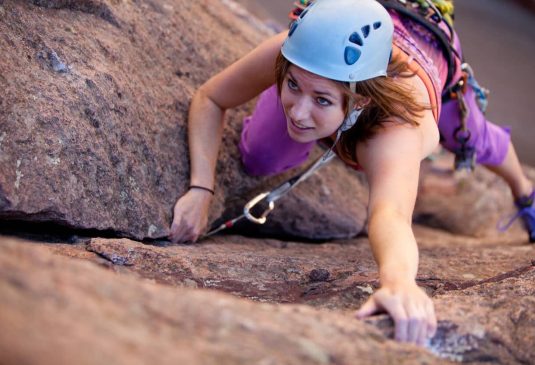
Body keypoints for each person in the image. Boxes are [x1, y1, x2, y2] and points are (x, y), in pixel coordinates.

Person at [168, 0, 535, 346]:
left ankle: (525, 192)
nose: (297, 112)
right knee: (259, 157)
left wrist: (398, 283)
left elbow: (389, 214)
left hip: (424, 44)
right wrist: (202, 187)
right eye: (292, 85)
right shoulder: (307, 51)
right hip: (358, 30)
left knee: (473, 136)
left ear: (361, 101)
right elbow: (211, 98)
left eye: (321, 100)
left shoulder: (398, 133)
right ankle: (328, 121)